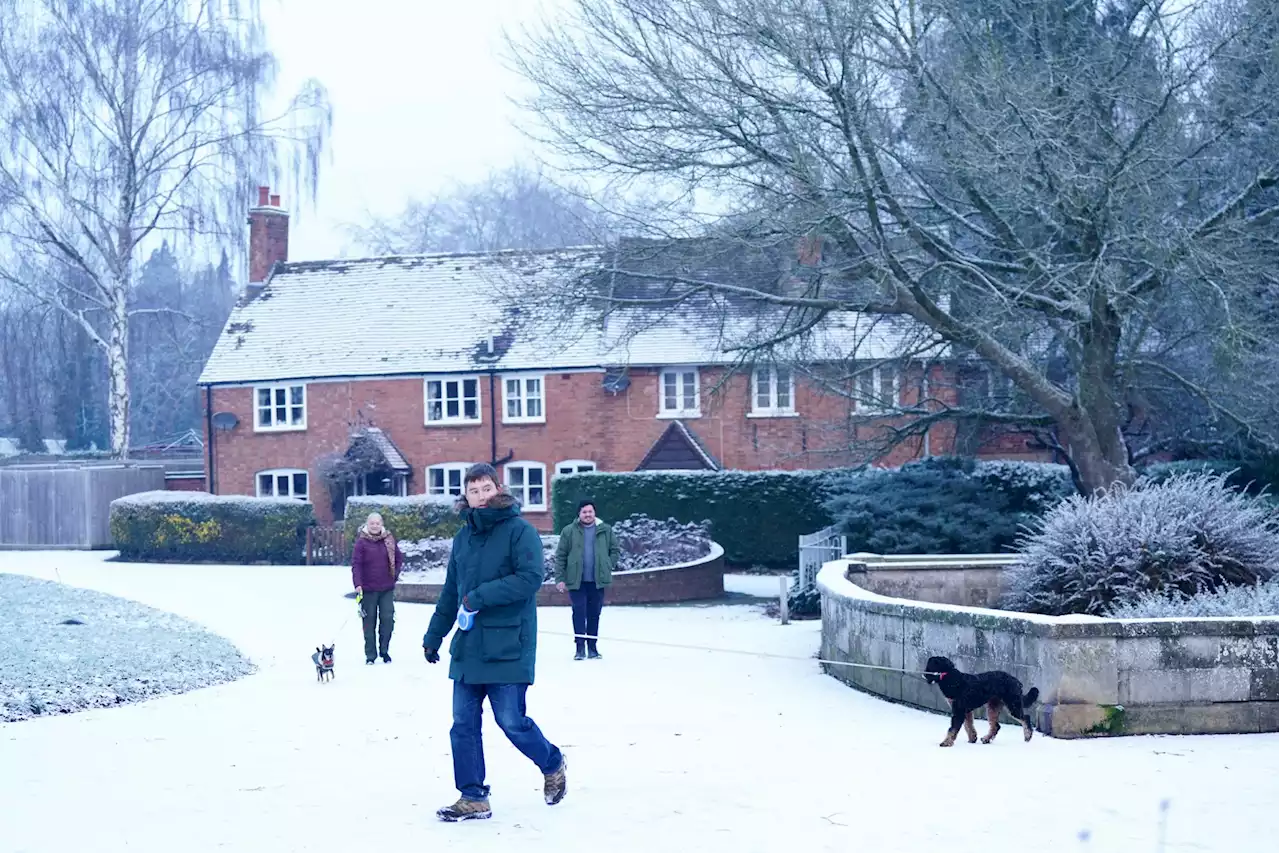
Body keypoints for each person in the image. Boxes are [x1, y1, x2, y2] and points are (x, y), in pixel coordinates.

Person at [422, 463, 567, 822]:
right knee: (463, 724)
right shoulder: (463, 538)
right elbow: (451, 592)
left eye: (486, 488)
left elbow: (530, 578)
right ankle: (472, 796)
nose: (481, 496)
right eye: (473, 491)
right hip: (469, 645)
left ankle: (552, 762)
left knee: (512, 721)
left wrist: (479, 597)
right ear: (466, 498)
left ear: (498, 489)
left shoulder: (521, 531)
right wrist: (434, 634)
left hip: (508, 645)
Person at [554, 499, 619, 660]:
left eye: (590, 511)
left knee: (594, 614)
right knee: (579, 612)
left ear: (594, 513)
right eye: (584, 512)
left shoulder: (605, 530)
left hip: (597, 581)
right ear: (579, 514)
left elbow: (615, 550)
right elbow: (561, 556)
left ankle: (592, 647)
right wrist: (560, 578)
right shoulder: (569, 531)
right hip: (576, 581)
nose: (587, 514)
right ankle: (580, 648)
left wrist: (607, 564)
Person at [351, 512, 403, 665]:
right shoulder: (361, 543)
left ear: (381, 524)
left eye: (377, 523)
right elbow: (356, 565)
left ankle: (384, 651)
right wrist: (357, 584)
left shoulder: (389, 540)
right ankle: (370, 655)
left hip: (386, 587)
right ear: (367, 525)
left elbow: (398, 559)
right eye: (372, 523)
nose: (375, 526)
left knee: (387, 619)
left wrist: (395, 575)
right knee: (369, 622)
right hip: (367, 589)